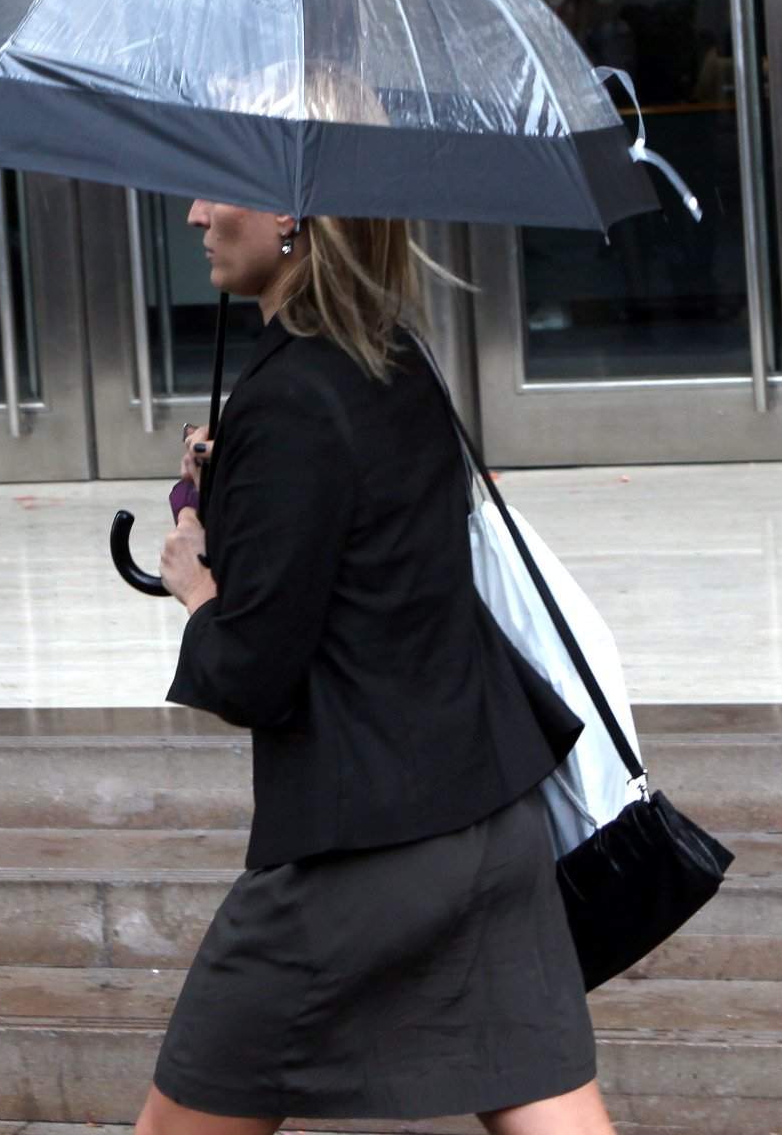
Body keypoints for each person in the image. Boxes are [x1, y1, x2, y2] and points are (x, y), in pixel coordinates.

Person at [139, 196, 618, 1135]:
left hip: (359, 851)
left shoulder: (286, 400)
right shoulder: (397, 362)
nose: (194, 213)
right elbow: (368, 561)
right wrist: (234, 481)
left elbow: (253, 671)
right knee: (547, 1107)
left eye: (218, 188)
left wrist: (197, 584)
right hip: (488, 811)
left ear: (292, 215)